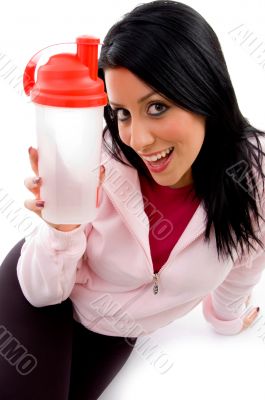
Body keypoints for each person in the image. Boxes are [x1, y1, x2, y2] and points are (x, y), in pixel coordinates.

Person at [0, 0, 264, 399]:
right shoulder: (93, 155)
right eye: (121, 112)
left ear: (205, 92)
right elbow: (43, 291)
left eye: (156, 107)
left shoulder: (253, 178)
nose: (137, 139)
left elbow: (247, 255)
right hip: (41, 283)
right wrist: (63, 227)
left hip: (113, 327)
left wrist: (227, 318)